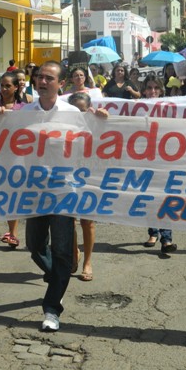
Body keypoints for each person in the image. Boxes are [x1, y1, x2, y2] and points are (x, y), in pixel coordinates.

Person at [21, 61, 80, 332]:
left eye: (49, 78)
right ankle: (58, 273)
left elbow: (94, 143)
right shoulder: (23, 113)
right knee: (34, 245)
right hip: (33, 190)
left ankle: (52, 308)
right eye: (39, 77)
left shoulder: (73, 113)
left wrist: (102, 120)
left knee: (61, 250)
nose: (42, 81)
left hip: (63, 190)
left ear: (61, 84)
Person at [66, 91, 108, 282]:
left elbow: (111, 134)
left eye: (82, 110)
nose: (79, 115)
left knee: (87, 221)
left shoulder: (95, 123)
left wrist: (103, 118)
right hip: (67, 174)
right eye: (75, 111)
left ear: (89, 109)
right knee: (69, 221)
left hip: (90, 175)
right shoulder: (63, 124)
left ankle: (87, 263)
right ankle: (74, 253)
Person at [138, 75, 177, 253]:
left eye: (156, 88)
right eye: (149, 88)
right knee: (149, 197)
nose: (152, 91)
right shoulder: (136, 108)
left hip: (164, 159)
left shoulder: (170, 107)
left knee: (164, 197)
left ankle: (166, 238)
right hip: (144, 158)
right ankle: (153, 232)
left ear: (161, 90)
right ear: (144, 90)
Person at [0, 72, 25, 248]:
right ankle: (13, 232)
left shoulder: (25, 108)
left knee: (19, 194)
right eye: (2, 85)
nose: (5, 89)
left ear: (16, 87)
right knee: (8, 194)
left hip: (21, 156)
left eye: (8, 86)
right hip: (0, 155)